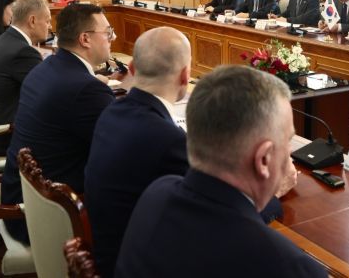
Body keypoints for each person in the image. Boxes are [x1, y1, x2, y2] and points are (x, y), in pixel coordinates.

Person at [86, 27, 292, 277]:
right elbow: (221, 207)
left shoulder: (112, 111)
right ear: (185, 76)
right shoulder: (166, 138)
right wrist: (274, 193)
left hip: (118, 248)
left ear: (131, 68)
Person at [115, 65, 326, 278]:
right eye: (288, 141)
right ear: (264, 159)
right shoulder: (290, 267)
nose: (289, 151)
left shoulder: (156, 193)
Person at [1, 4, 115, 244]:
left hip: (21, 198)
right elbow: (120, 150)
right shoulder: (86, 88)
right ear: (85, 39)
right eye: (107, 32)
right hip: (48, 217)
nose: (112, 38)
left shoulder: (46, 68)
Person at [0, 0, 52, 158]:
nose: (50, 26)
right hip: (3, 135)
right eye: (47, 21)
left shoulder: (5, 39)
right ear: (32, 20)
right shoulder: (22, 51)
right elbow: (50, 92)